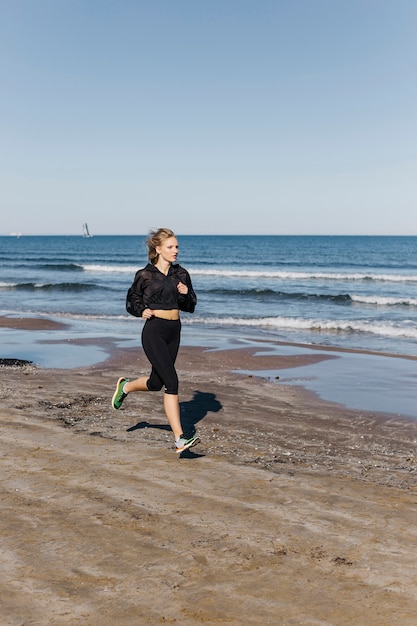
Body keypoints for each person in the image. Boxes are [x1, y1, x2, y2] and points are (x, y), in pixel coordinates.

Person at [111, 228, 200, 453]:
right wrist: (141, 310)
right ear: (158, 249)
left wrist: (185, 292)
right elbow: (132, 298)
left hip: (174, 329)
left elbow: (190, 305)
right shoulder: (145, 275)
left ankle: (126, 386)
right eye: (170, 247)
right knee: (172, 381)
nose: (175, 251)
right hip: (154, 331)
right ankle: (180, 438)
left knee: (156, 383)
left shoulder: (182, 274)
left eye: (177, 247)